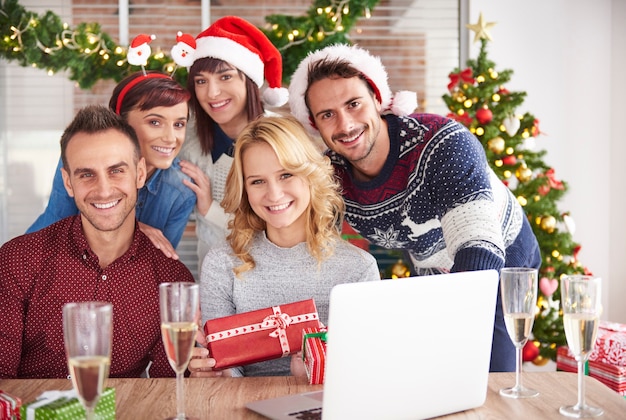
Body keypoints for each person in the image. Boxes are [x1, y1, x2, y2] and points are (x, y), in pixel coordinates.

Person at [288, 44, 541, 372]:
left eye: (354, 104)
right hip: (434, 270)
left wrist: (450, 331)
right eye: (327, 114)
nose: (345, 124)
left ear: (377, 100)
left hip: (501, 260)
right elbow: (312, 243)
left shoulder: (444, 144)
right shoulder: (330, 172)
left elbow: (480, 248)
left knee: (488, 376)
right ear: (316, 126)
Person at [0, 105, 195, 379]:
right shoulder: (18, 260)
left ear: (139, 174)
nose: (103, 190)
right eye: (86, 174)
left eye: (116, 171)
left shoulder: (169, 279)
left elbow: (170, 388)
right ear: (68, 183)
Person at [187, 116, 380, 378]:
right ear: (244, 189)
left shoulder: (358, 269)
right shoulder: (221, 263)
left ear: (311, 175)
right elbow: (226, 367)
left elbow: (366, 371)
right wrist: (217, 374)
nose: (274, 194)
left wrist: (313, 375)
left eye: (286, 175)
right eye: (257, 181)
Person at [26, 71, 199, 258]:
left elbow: (161, 263)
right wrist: (130, 230)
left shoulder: (181, 190)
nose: (170, 138)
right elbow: (54, 236)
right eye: (155, 122)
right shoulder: (81, 156)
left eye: (179, 125)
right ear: (121, 123)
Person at [178, 16, 289, 267]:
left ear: (248, 81)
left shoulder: (283, 138)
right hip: (213, 278)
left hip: (272, 276)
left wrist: (209, 209)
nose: (212, 93)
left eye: (225, 77)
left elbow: (285, 222)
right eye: (201, 81)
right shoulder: (188, 141)